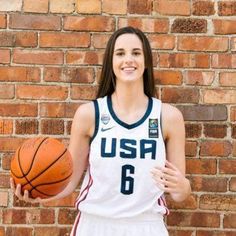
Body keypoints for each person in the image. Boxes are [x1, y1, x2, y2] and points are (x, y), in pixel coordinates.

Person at [11, 26, 191, 236]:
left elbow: (179, 193)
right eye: (120, 53)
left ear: (146, 61)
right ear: (111, 62)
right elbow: (69, 181)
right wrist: (38, 192)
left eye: (136, 53)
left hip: (147, 224)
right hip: (95, 224)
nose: (128, 60)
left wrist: (184, 187)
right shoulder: (89, 114)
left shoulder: (168, 117)